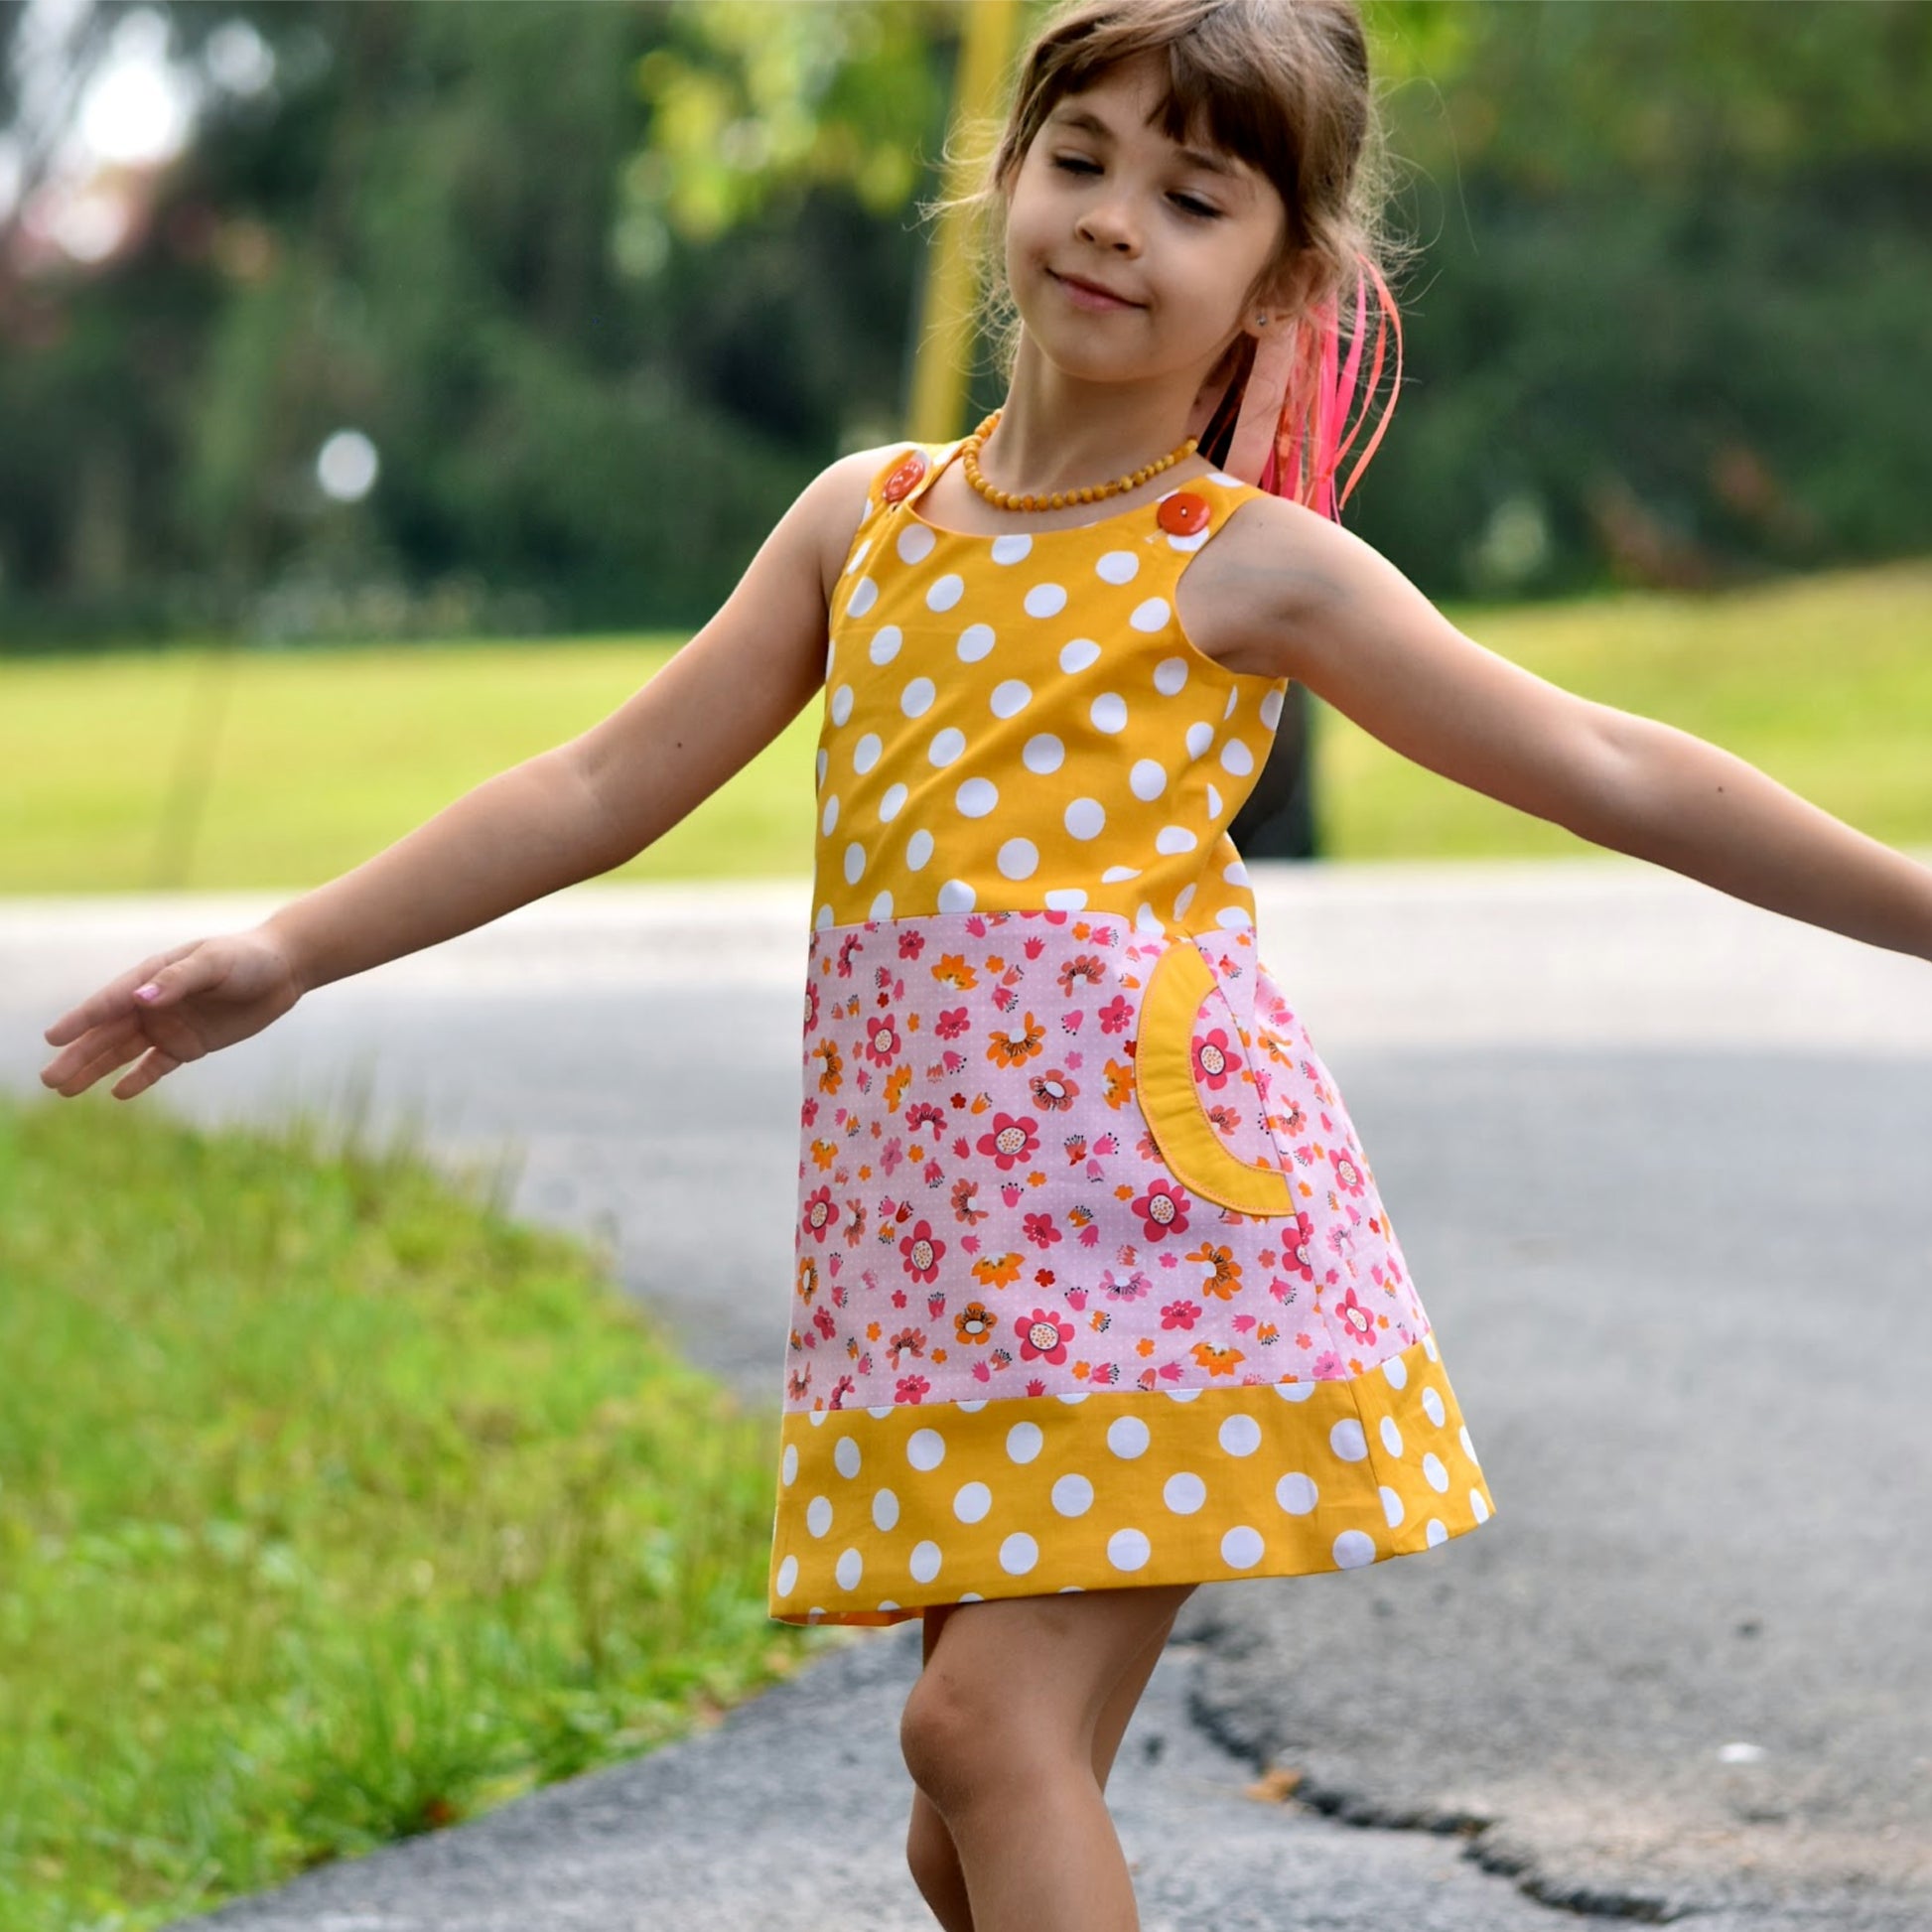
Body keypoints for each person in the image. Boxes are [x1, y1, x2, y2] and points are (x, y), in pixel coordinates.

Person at [38, 1, 1932, 1926]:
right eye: (1082, 159)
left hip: (1159, 1244)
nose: (1114, 220)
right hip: (935, 1257)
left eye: (1190, 195)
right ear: (1006, 178)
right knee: (962, 1813)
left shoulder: (1243, 562)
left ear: (1275, 275)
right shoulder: (864, 525)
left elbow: (1613, 764)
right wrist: (288, 946)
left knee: (978, 1740)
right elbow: (601, 779)